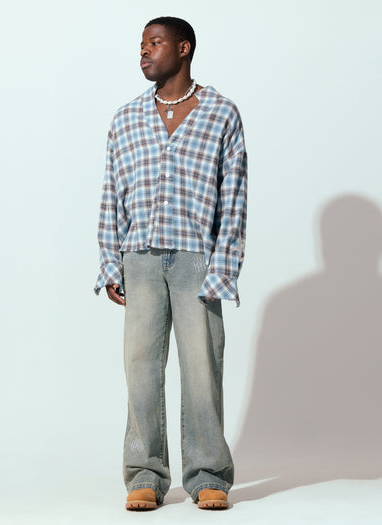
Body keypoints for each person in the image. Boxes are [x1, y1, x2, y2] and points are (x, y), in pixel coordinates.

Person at [94, 16, 247, 511]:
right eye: (141, 45)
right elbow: (112, 195)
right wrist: (110, 263)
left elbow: (234, 197)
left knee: (202, 370)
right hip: (138, 259)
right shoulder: (125, 118)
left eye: (154, 43)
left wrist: (223, 268)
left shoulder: (221, 113)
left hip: (197, 261)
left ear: (183, 48)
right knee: (141, 369)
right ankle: (144, 473)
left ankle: (209, 475)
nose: (144, 52)